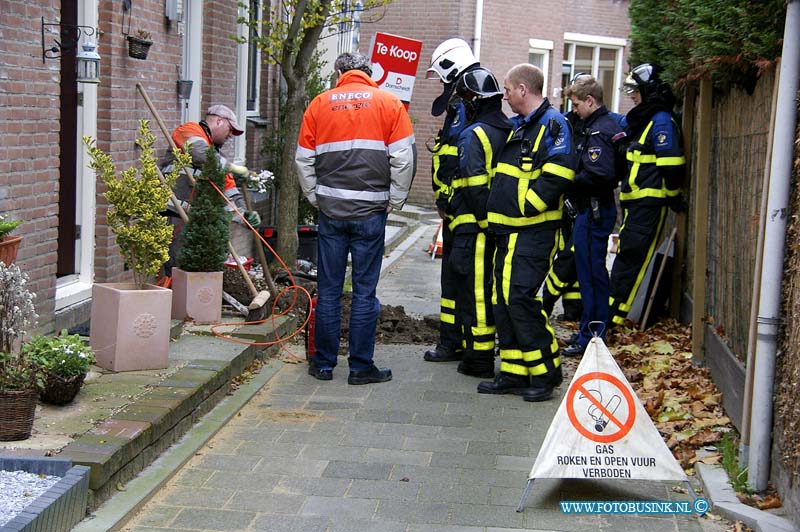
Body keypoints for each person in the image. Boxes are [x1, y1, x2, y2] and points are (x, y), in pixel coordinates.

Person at [295, 52, 416, 385]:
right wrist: (395, 199)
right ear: (369, 72)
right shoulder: (389, 104)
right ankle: (361, 368)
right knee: (364, 292)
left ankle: (323, 364)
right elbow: (403, 160)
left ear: (338, 71)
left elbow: (303, 160)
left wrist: (314, 197)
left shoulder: (319, 104)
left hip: (332, 212)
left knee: (329, 290)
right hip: (371, 213)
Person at [480, 64, 577, 402]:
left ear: (523, 89)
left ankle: (547, 374)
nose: (504, 95)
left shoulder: (554, 124)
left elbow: (559, 173)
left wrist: (526, 206)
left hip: (533, 232)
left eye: (508, 89)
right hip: (510, 232)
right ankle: (514, 373)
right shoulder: (521, 126)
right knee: (502, 301)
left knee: (520, 299)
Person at [446, 66, 512, 378]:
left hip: (475, 227)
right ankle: (483, 352)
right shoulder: (510, 129)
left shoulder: (474, 135)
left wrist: (484, 222)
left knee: (476, 294)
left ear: (473, 101)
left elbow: (473, 183)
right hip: (499, 225)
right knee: (492, 290)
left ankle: (480, 357)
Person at [608, 63, 685, 328]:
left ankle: (617, 320)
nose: (632, 95)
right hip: (636, 203)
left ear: (649, 90)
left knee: (633, 259)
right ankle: (610, 315)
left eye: (635, 90)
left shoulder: (661, 120)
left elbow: (671, 164)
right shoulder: (648, 119)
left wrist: (673, 195)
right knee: (627, 257)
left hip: (649, 204)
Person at [422, 38, 480, 364]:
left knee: (461, 278)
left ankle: (457, 342)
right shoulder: (463, 98)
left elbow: (460, 158)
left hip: (461, 208)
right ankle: (453, 339)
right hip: (454, 207)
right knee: (453, 278)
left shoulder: (466, 101)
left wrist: (449, 197)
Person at [560, 75, 623, 357]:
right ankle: (590, 329)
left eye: (576, 104)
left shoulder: (600, 131)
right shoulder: (594, 125)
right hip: (592, 209)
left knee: (591, 274)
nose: (573, 110)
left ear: (590, 101)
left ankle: (593, 333)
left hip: (594, 209)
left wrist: (567, 179)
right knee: (589, 271)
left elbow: (599, 173)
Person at [159, 104, 260, 276]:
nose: (230, 136)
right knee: (175, 266)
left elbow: (229, 193)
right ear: (219, 121)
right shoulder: (190, 130)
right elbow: (199, 154)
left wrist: (245, 216)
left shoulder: (218, 158)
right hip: (172, 212)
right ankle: (172, 299)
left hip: (191, 217)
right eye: (230, 129)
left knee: (186, 269)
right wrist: (232, 168)